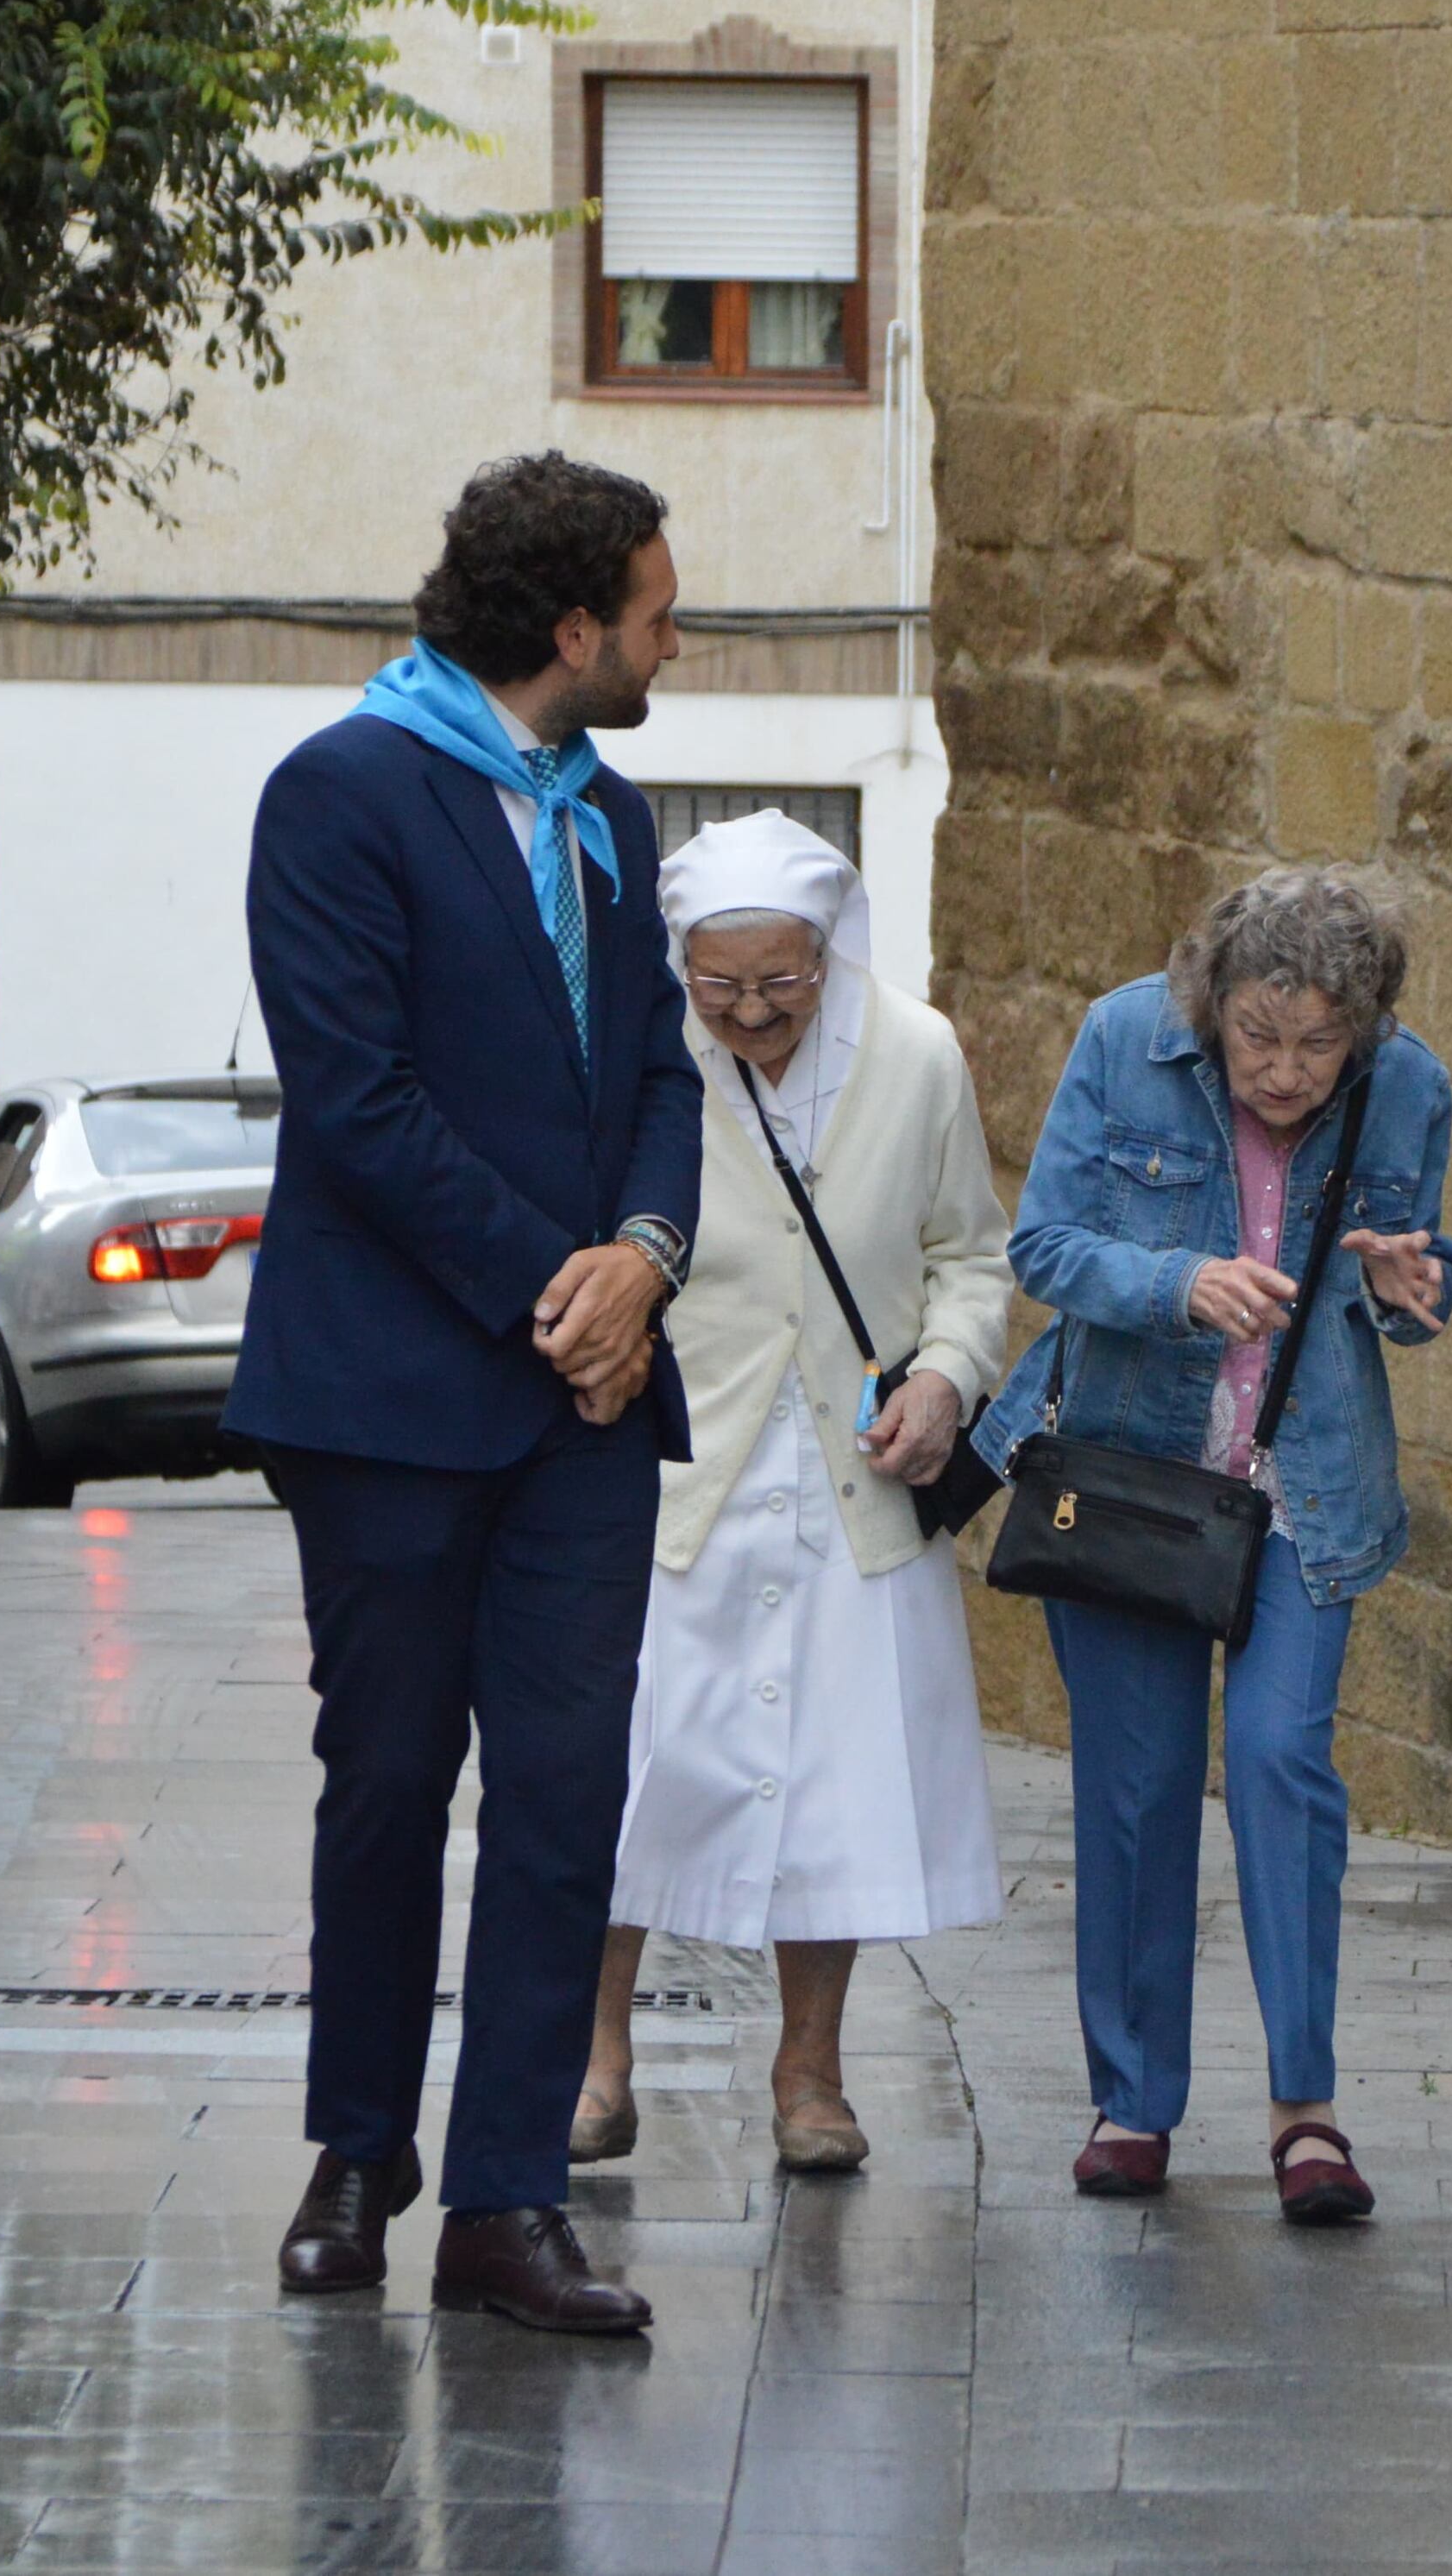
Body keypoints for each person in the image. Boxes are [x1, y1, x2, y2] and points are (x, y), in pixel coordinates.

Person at [229, 452, 706, 2338]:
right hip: (393, 1401)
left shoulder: (612, 815)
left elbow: (663, 1071)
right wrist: (554, 1285)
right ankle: (360, 2150)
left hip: (590, 1406)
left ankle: (507, 2202)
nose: (680, 637)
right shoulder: (340, 794)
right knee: (391, 1782)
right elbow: (357, 1107)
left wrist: (647, 1257)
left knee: (566, 1797)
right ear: (574, 627)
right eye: (660, 611)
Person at [971, 867, 1452, 2226]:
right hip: (1134, 1477)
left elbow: (1419, 1281)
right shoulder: (1127, 1038)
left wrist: (1412, 1286)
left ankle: (1305, 2107)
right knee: (1135, 1795)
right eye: (1261, 1036)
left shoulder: (1408, 1084)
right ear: (1211, 1002)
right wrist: (1180, 1285)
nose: (1289, 1069)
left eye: (1321, 1042)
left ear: (1365, 1024)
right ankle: (1134, 2102)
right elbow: (1046, 1246)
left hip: (1304, 1486)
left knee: (1278, 1760)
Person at [575, 811, 1010, 2176]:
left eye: (782, 982)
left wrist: (946, 1379)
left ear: (830, 952)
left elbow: (972, 1260)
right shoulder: (642, 1057)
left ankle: (810, 2072)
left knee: (835, 1781)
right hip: (674, 1469)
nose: (753, 1011)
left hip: (853, 1478)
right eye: (722, 986)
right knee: (623, 1774)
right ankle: (594, 2060)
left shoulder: (919, 1055)